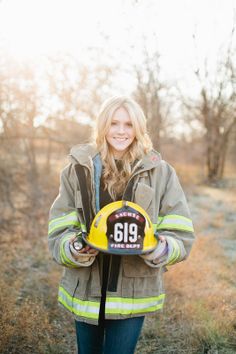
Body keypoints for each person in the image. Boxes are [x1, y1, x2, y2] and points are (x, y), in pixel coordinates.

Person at [48, 96, 195, 354]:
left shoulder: (161, 172)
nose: (120, 131)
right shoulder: (77, 169)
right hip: (86, 289)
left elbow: (180, 232)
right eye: (114, 123)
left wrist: (159, 248)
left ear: (138, 129)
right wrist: (73, 248)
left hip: (133, 292)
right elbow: (60, 226)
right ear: (102, 125)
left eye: (128, 124)